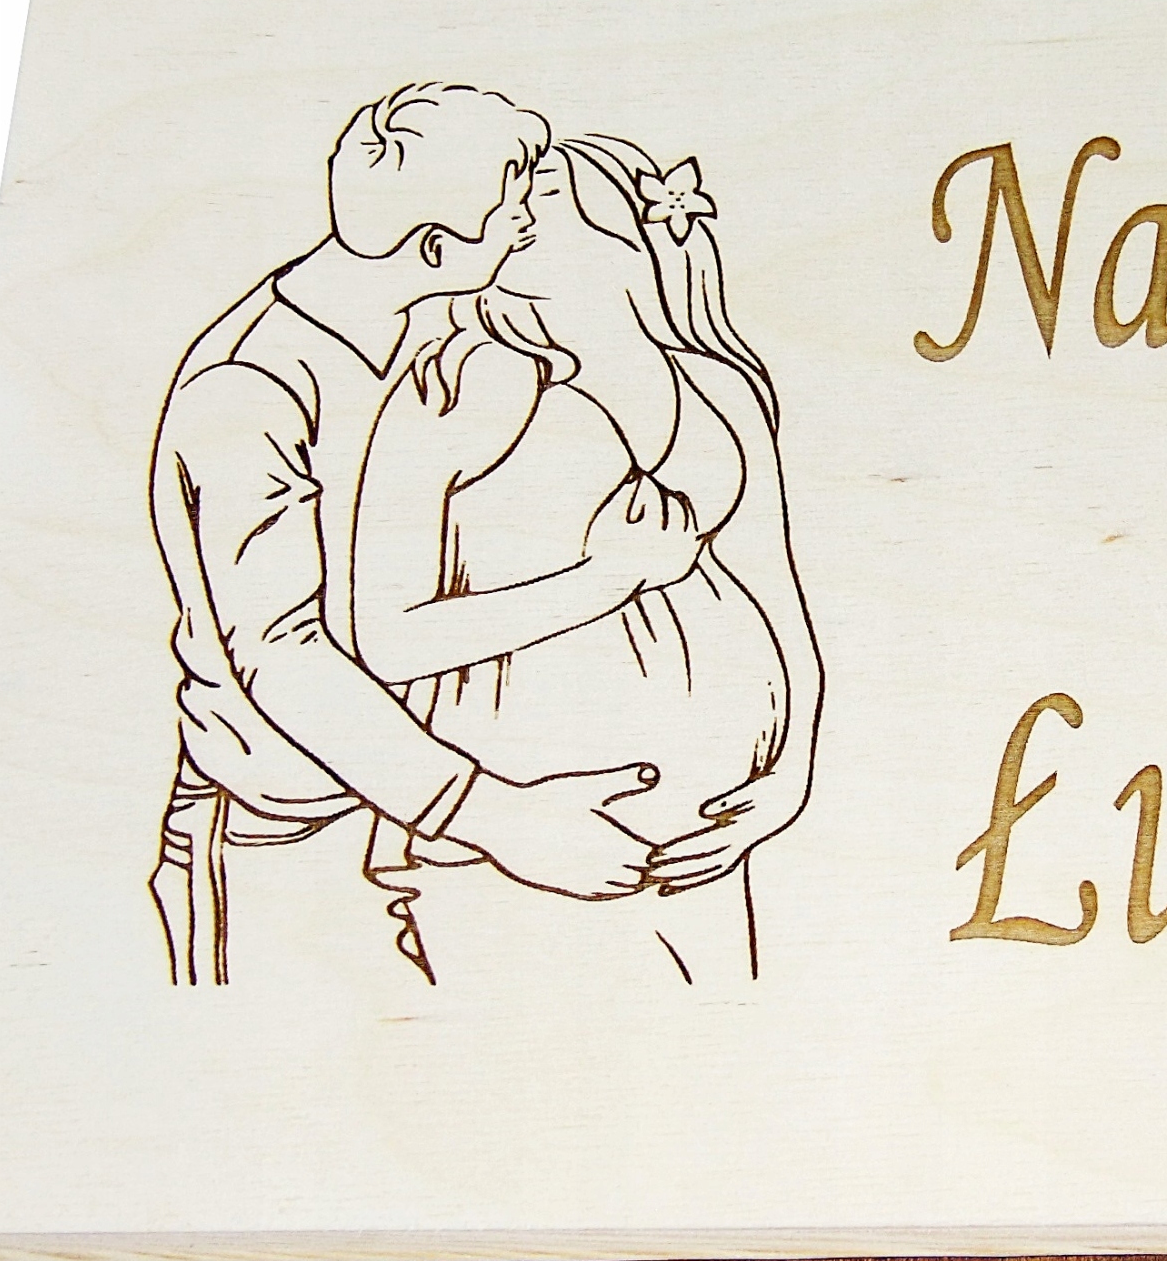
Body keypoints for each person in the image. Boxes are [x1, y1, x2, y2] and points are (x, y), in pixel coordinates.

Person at [145, 85, 666, 986]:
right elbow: (280, 653)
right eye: (509, 212)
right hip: (288, 827)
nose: (525, 226)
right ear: (434, 246)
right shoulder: (247, 391)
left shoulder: (433, 316)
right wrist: (500, 818)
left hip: (431, 808)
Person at [349, 135, 823, 986]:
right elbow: (387, 637)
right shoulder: (455, 386)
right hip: (524, 835)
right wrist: (603, 582)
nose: (513, 210)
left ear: (624, 221)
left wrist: (790, 776)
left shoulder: (717, 388)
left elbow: (776, 593)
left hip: (705, 833)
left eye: (544, 188)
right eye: (507, 192)